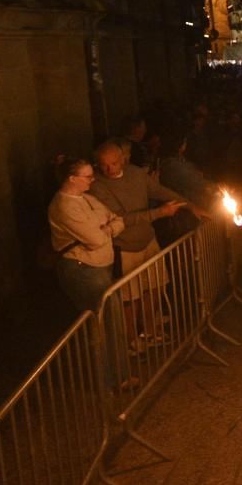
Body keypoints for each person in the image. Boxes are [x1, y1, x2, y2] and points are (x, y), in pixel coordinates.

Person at [90, 138, 192, 347]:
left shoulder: (136, 174)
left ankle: (148, 330)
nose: (109, 169)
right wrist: (159, 213)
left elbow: (159, 191)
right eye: (104, 165)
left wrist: (188, 205)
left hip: (148, 240)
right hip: (125, 247)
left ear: (123, 160)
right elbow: (120, 219)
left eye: (114, 163)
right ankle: (131, 340)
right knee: (131, 298)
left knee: (154, 287)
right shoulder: (98, 187)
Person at [47, 158, 124, 313]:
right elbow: (96, 240)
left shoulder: (88, 198)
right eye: (88, 177)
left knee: (108, 314)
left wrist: (104, 229)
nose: (93, 179)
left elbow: (119, 220)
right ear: (72, 179)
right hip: (84, 269)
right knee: (106, 314)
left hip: (101, 266)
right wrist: (108, 228)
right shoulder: (65, 207)